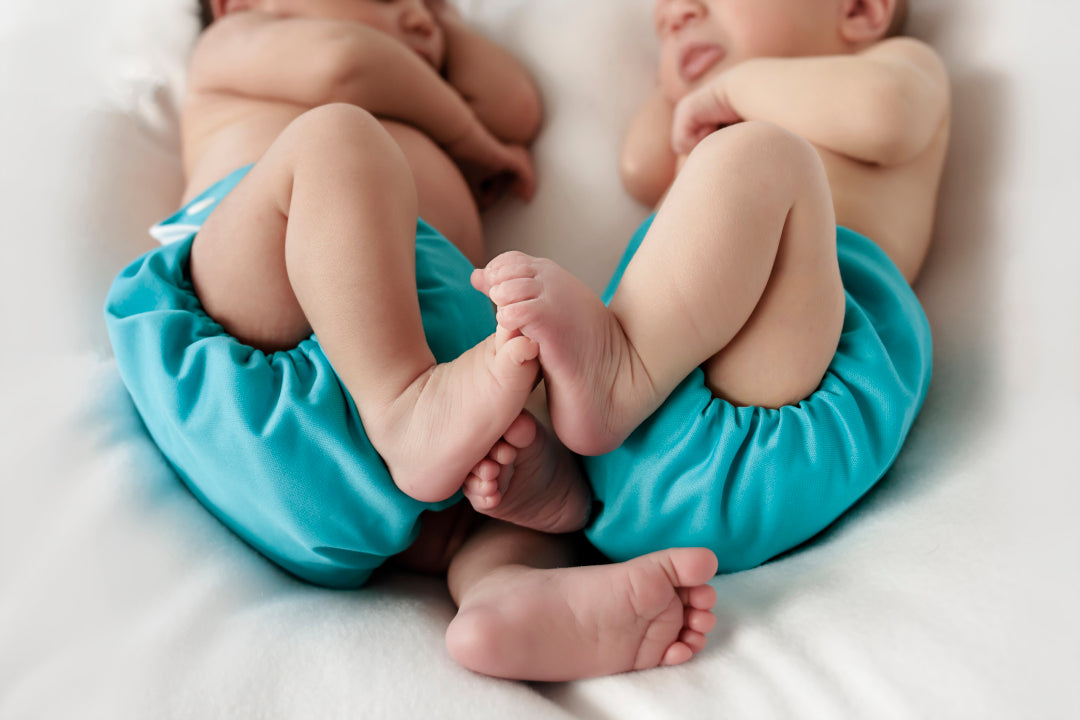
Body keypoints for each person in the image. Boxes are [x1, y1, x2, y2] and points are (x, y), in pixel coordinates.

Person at [105, 0, 719, 682]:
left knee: (508, 479)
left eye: (431, 7)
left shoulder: (419, 76)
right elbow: (344, 65)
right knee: (337, 140)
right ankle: (403, 408)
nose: (422, 16)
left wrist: (438, 30)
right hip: (258, 311)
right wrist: (468, 134)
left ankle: (503, 592)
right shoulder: (239, 42)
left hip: (389, 448)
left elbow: (515, 106)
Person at [468, 0, 947, 571]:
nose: (675, 15)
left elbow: (886, 114)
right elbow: (641, 164)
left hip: (796, 390)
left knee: (766, 156)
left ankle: (619, 378)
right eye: (663, 19)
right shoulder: (714, 136)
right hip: (627, 459)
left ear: (861, 11)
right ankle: (513, 581)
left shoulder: (893, 66)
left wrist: (730, 86)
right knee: (488, 517)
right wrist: (681, 91)